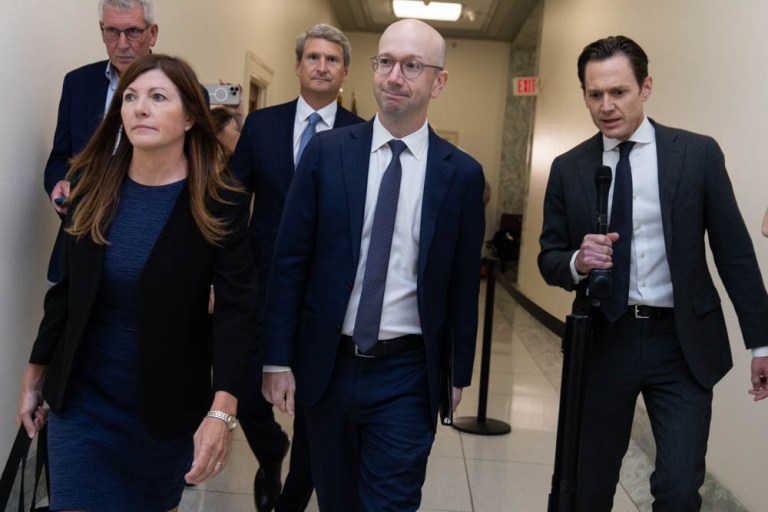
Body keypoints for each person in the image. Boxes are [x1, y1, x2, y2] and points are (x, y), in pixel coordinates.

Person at [260, 18, 486, 511]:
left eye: (412, 65)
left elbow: (463, 283)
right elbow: (290, 261)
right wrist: (277, 358)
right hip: (329, 364)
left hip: (408, 372)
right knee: (337, 500)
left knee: (391, 501)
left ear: (438, 81)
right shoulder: (326, 153)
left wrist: (458, 370)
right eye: (385, 62)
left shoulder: (462, 175)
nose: (394, 76)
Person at [16, 54, 257, 511]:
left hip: (163, 414)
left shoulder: (219, 201)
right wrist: (35, 375)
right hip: (83, 407)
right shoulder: (90, 184)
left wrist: (222, 412)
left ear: (190, 117)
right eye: (130, 97)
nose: (139, 108)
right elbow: (66, 292)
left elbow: (235, 310)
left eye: (157, 97)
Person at [537, 35, 768, 511]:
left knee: (681, 488)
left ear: (646, 87)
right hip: (604, 340)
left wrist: (761, 342)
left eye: (618, 92)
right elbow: (548, 257)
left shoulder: (697, 155)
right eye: (594, 94)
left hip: (681, 342)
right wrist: (578, 261)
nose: (606, 106)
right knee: (589, 485)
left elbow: (735, 253)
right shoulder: (568, 168)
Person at [229, 23, 363, 512]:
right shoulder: (262, 126)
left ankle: (291, 500)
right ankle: (271, 451)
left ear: (345, 71)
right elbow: (231, 202)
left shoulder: (360, 135)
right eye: (313, 57)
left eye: (332, 60)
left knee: (314, 408)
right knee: (245, 391)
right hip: (259, 283)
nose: (322, 66)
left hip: (325, 297)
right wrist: (219, 274)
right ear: (298, 65)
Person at [43, 0, 159, 284]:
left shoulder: (178, 90)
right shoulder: (78, 83)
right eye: (112, 31)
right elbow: (60, 158)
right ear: (101, 30)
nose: (121, 44)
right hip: (78, 248)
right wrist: (59, 183)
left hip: (147, 253)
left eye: (132, 31)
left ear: (152, 34)